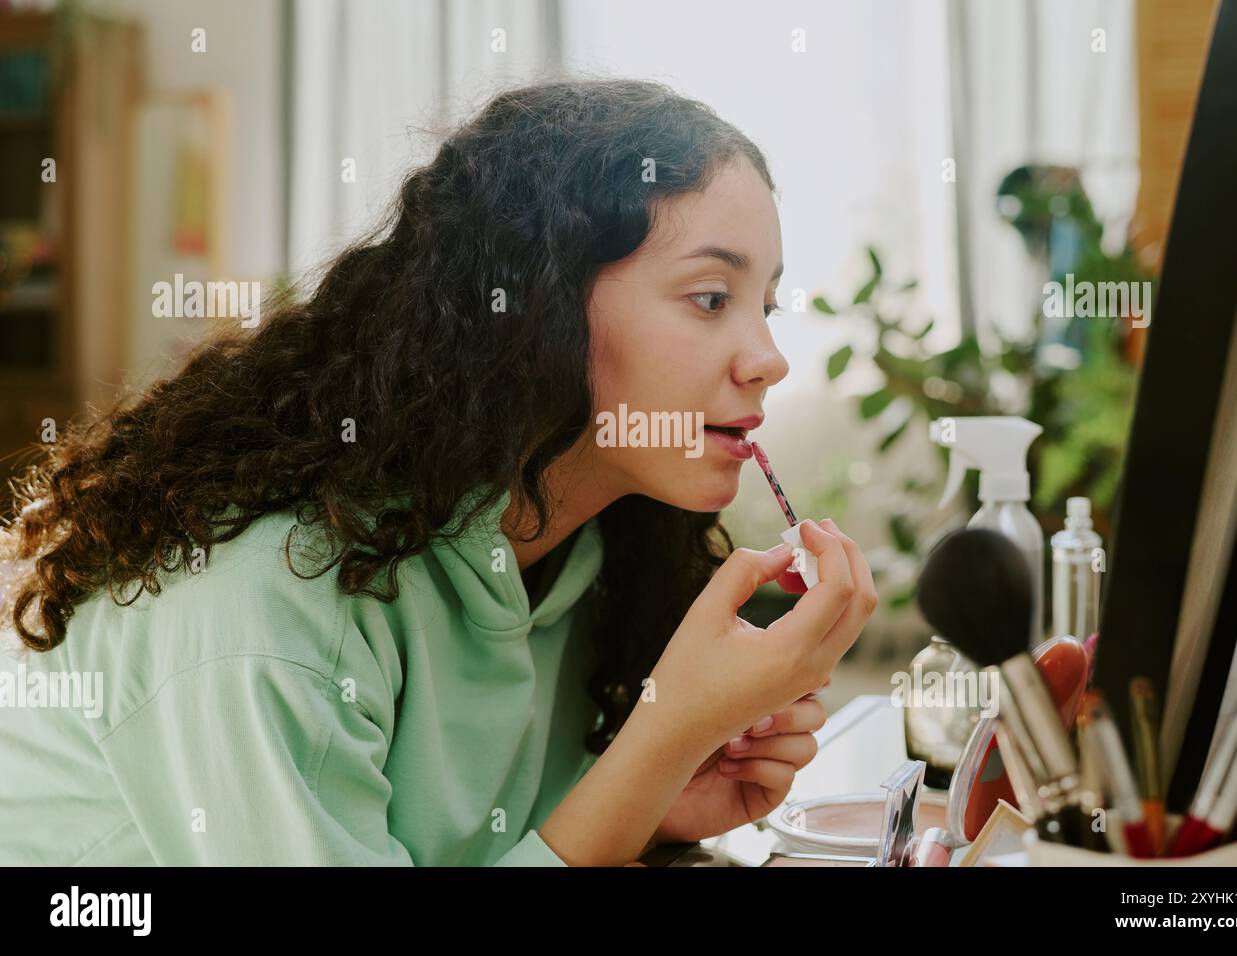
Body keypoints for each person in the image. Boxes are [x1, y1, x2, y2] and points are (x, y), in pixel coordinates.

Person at [0, 77, 876, 866]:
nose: (769, 358)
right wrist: (665, 735)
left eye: (766, 305)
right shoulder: (265, 599)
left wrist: (651, 803)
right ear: (538, 311)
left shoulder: (586, 554)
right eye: (712, 298)